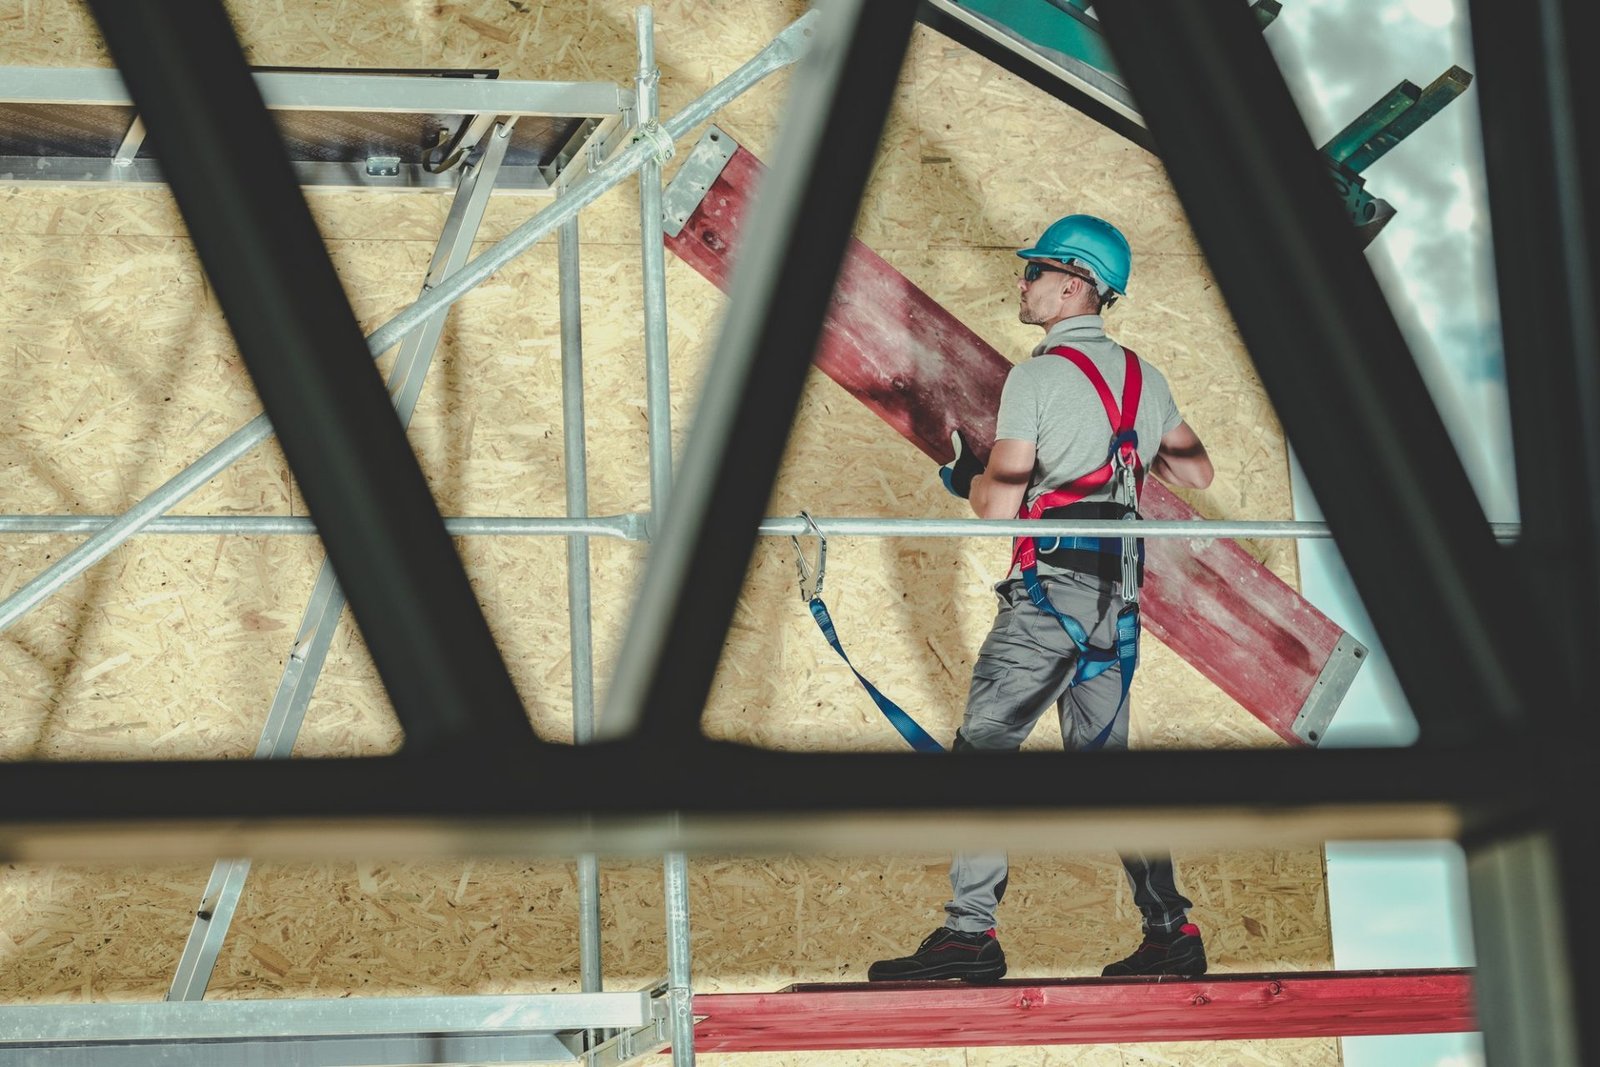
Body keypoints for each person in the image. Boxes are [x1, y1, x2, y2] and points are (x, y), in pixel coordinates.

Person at [867, 214, 1215, 984]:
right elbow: (1197, 474)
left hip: (1048, 598)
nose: (1020, 283)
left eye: (1033, 272)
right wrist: (1125, 444)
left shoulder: (1036, 377)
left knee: (984, 758)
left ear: (1072, 284)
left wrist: (967, 477)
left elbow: (1000, 508)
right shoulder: (1144, 379)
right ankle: (1171, 931)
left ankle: (969, 936)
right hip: (1115, 605)